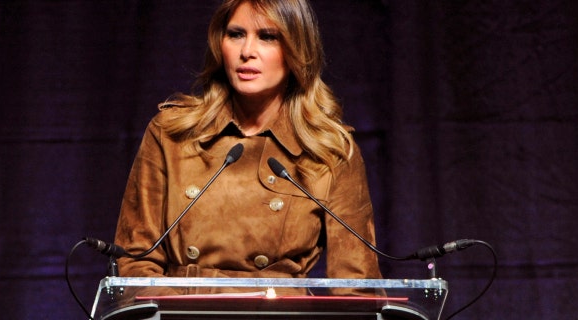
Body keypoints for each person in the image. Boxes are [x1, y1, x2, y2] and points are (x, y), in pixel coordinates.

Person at [114, 0, 383, 294]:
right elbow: (136, 267)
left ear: (297, 49)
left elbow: (357, 288)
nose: (247, 52)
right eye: (236, 34)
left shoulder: (330, 151)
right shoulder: (171, 134)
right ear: (220, 44)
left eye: (267, 36)